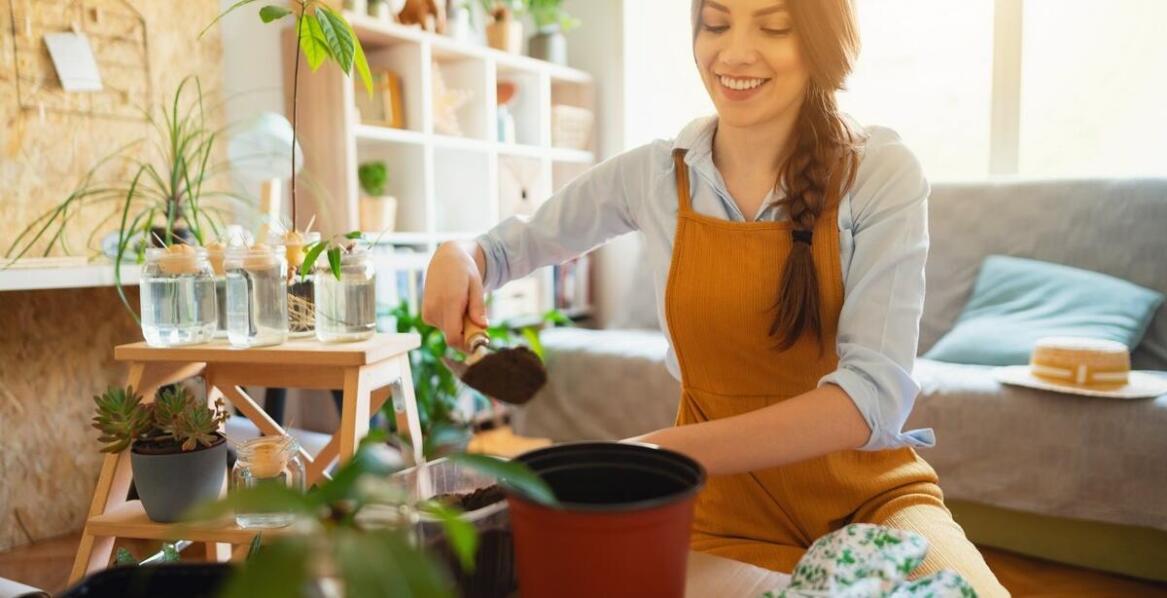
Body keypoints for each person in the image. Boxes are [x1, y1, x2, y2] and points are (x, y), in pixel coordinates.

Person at [422, 0, 1007, 594]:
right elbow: (504, 249)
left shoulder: (880, 173)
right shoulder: (653, 175)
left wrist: (650, 453)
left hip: (872, 501)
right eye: (717, 24)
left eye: (773, 26)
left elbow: (871, 398)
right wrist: (459, 254)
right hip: (712, 509)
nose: (733, 53)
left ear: (820, 42)